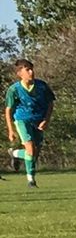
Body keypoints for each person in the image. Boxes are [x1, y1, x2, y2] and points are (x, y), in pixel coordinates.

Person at [5, 58, 53, 188]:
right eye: (27, 70)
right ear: (19, 73)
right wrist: (11, 130)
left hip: (38, 121)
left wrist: (46, 120)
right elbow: (8, 110)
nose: (31, 72)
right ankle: (31, 180)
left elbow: (50, 103)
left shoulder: (42, 86)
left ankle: (15, 153)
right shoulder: (14, 90)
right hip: (22, 120)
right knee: (31, 150)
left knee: (34, 153)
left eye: (32, 69)